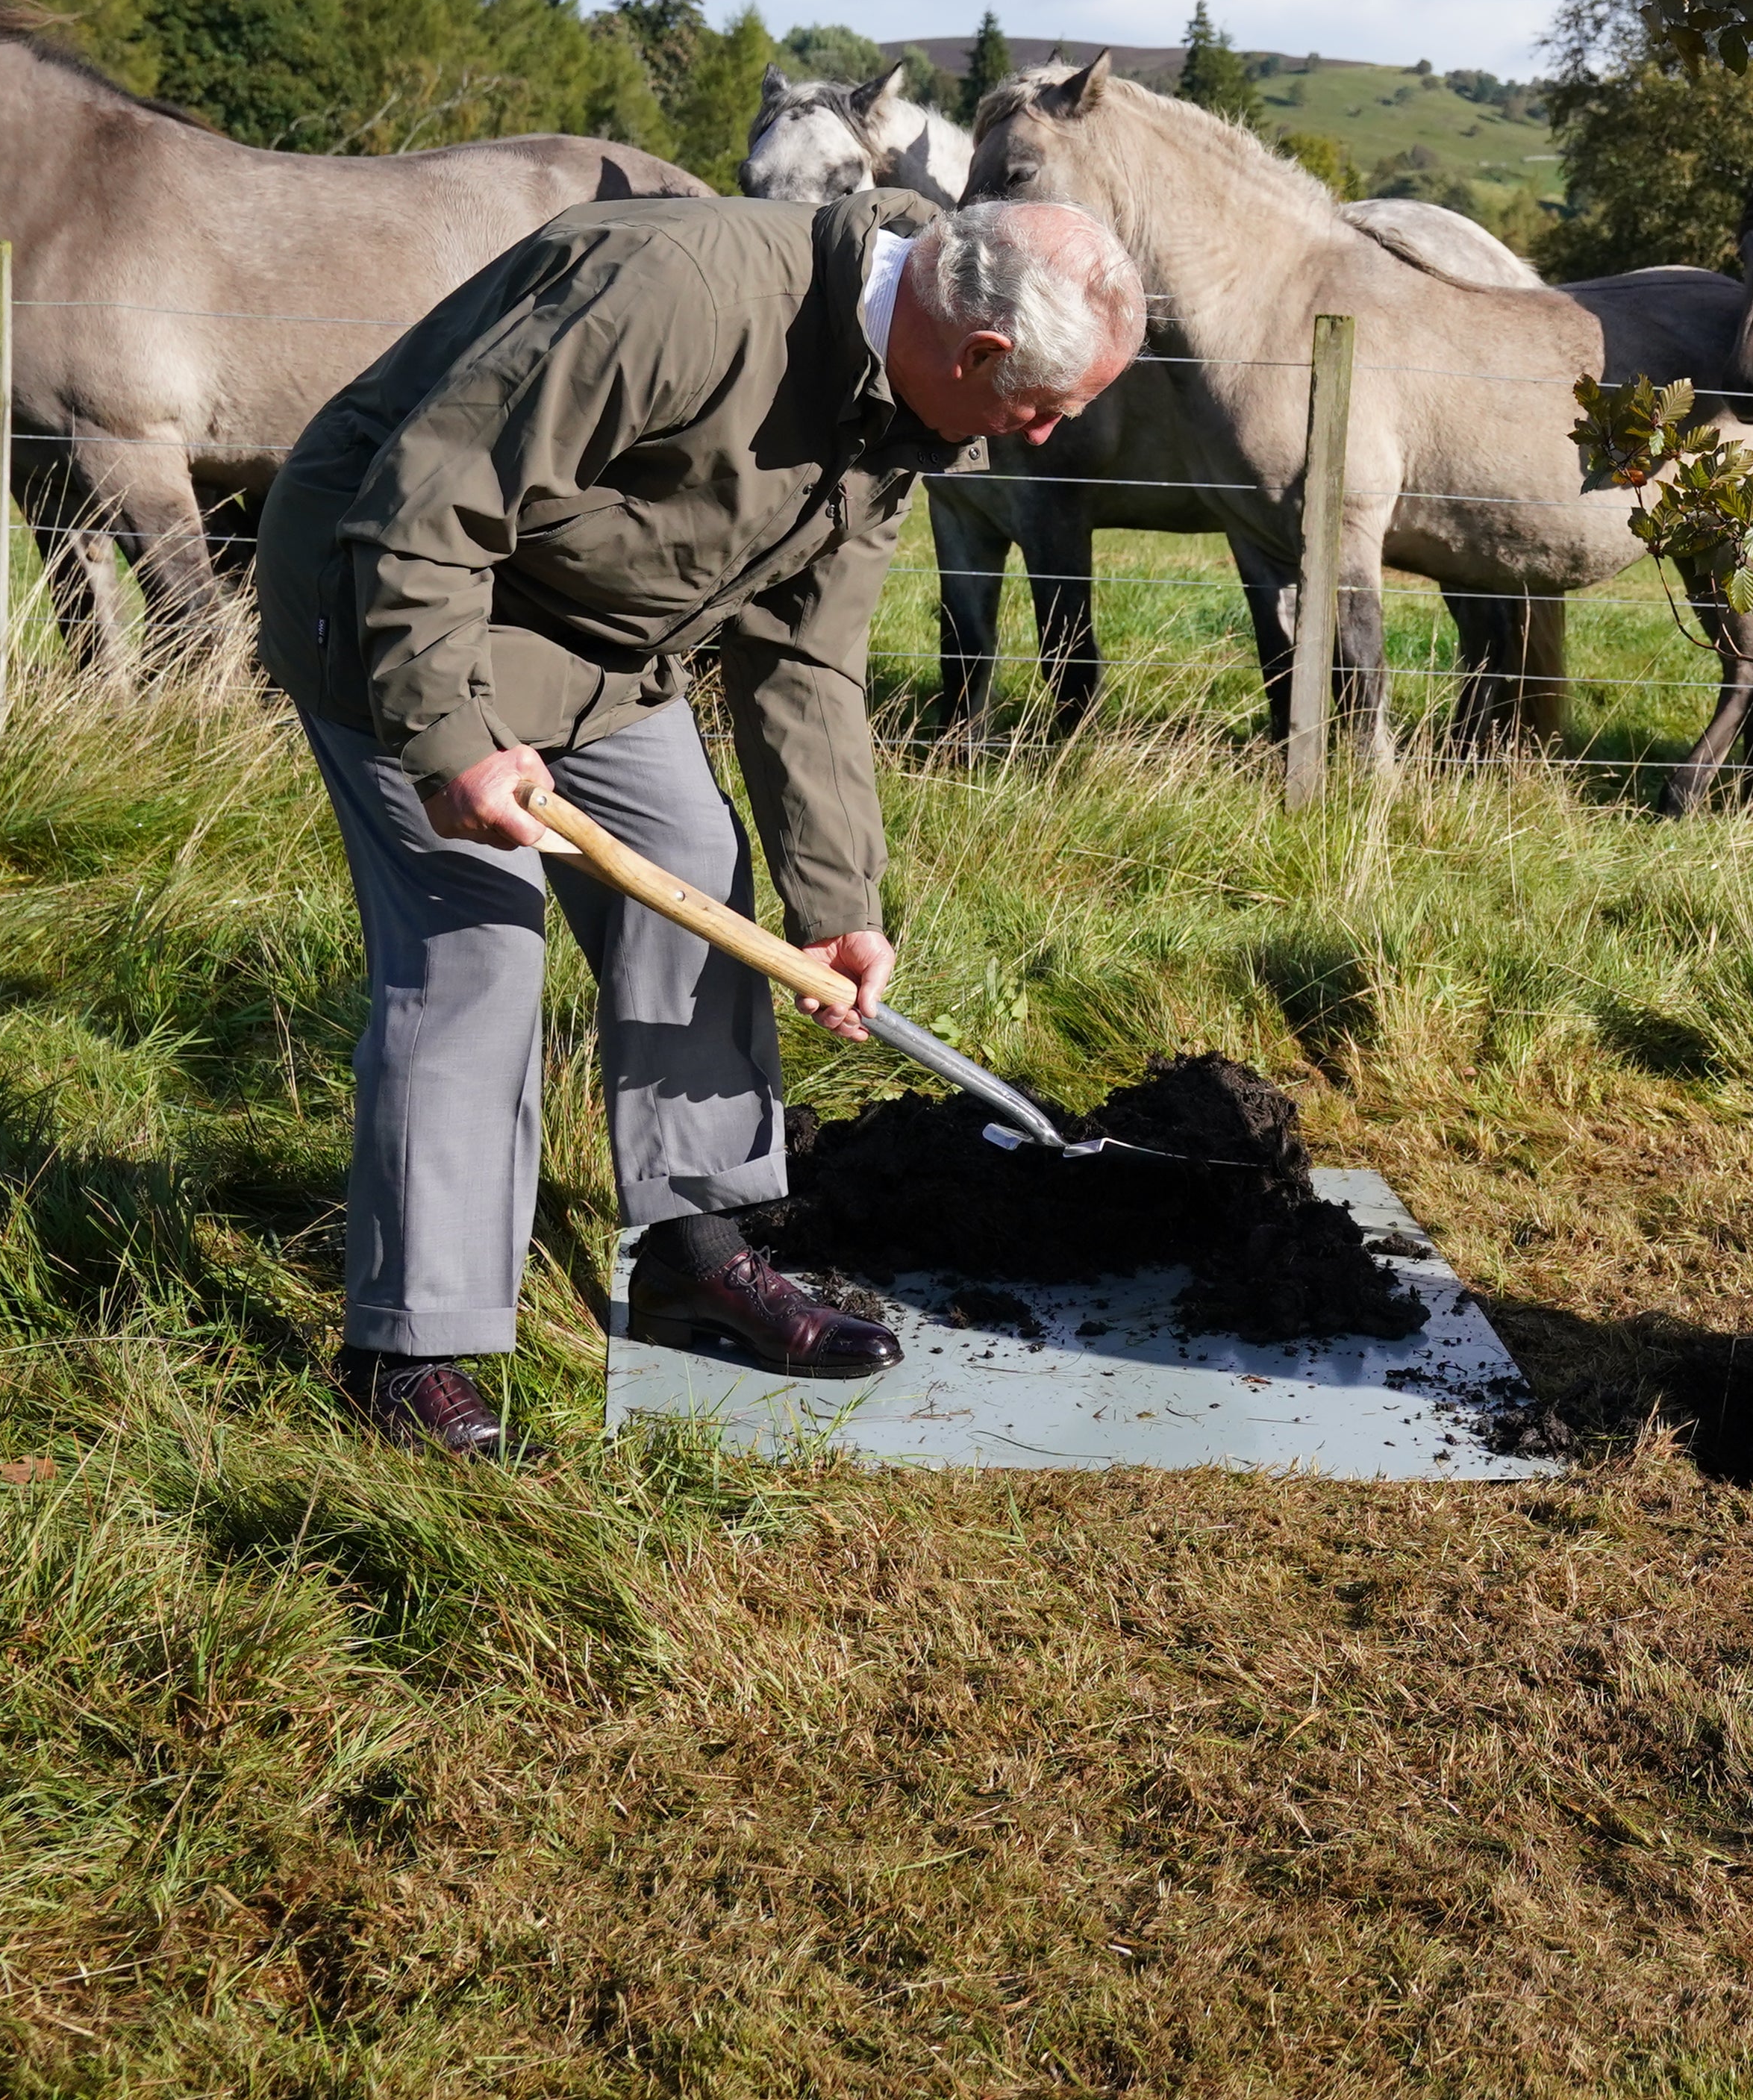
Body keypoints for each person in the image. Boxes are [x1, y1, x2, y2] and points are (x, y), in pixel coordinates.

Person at [257, 187, 1147, 1459]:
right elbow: (427, 508)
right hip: (394, 598)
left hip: (599, 643)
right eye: (1043, 408)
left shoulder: (903, 413)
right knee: (475, 952)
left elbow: (806, 661)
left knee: (694, 871)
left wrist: (837, 908)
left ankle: (695, 1246)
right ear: (980, 352)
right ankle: (414, 1345)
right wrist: (452, 744)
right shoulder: (680, 297)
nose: (1048, 438)